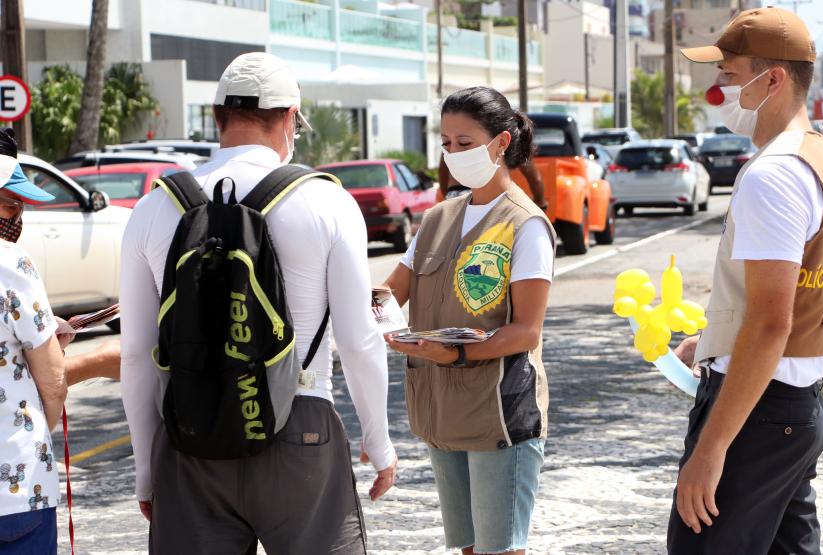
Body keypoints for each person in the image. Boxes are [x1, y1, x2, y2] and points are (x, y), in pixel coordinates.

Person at [119, 52, 396, 554]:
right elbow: (358, 341)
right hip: (301, 424)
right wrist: (378, 443)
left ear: (217, 115)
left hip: (191, 435)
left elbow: (138, 352)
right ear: (291, 118)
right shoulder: (327, 202)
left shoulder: (153, 206)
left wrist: (146, 472)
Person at [674, 7, 823, 554]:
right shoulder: (818, 157)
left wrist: (710, 450)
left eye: (728, 75)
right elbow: (800, 299)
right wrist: (713, 343)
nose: (719, 88)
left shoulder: (773, 174)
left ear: (772, 79)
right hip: (793, 407)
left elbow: (771, 322)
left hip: (758, 415)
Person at [383, 86, 555, 555]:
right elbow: (392, 292)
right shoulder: (437, 218)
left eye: (465, 143)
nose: (453, 153)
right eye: (446, 142)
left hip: (498, 412)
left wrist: (456, 352)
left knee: (500, 550)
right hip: (441, 410)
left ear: (501, 142)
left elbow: (526, 332)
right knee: (469, 548)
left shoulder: (526, 224)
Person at [0, 128, 67, 554]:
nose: (18, 217)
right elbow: (53, 380)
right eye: (10, 204)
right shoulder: (11, 262)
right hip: (18, 488)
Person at [438, 155, 548, 211]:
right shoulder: (508, 135)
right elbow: (535, 179)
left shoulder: (459, 130)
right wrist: (541, 203)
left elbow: (443, 171)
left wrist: (449, 197)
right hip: (491, 198)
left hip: (455, 193)